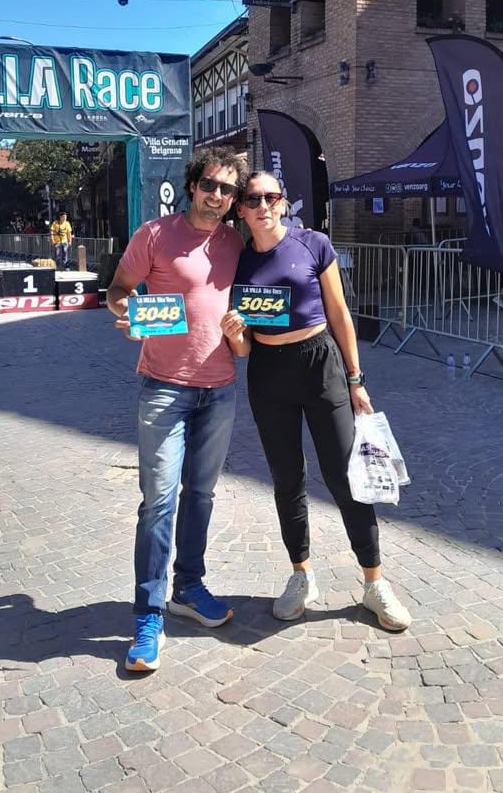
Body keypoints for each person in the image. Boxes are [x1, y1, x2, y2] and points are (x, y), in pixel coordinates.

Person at [221, 171, 412, 633]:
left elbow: (340, 312)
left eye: (271, 197)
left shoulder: (313, 244)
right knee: (287, 478)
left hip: (320, 363)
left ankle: (374, 582)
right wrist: (234, 335)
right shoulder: (239, 262)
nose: (263, 206)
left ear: (283, 204)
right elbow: (243, 348)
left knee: (345, 476)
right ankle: (301, 575)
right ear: (241, 209)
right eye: (253, 199)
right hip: (268, 371)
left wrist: (356, 378)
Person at [108, 147, 247, 672]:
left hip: (220, 388)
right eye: (209, 184)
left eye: (227, 189)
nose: (217, 195)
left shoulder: (235, 242)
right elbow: (118, 290)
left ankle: (188, 587)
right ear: (192, 185)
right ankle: (148, 614)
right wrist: (127, 313)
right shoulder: (155, 235)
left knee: (201, 495)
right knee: (158, 502)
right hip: (164, 388)